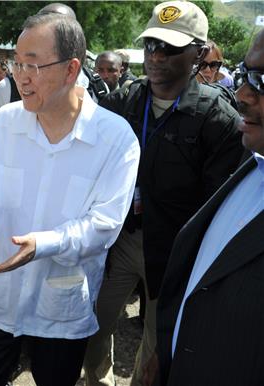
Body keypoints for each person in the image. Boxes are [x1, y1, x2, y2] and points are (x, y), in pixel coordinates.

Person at [0, 12, 139, 386]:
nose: (20, 76)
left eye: (33, 65)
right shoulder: (6, 122)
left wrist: (43, 244)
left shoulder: (115, 139)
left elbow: (103, 227)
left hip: (60, 312)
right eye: (16, 63)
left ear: (71, 69)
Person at [82, 2, 244, 386]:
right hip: (120, 242)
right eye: (152, 44)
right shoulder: (126, 100)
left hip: (174, 257)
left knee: (157, 352)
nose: (155, 56)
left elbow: (218, 208)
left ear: (199, 53)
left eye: (169, 48)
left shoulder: (218, 119)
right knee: (89, 325)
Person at [152, 29, 264, 386]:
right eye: (247, 76)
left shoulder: (220, 121)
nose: (243, 95)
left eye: (263, 82)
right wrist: (167, 350)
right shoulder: (252, 166)